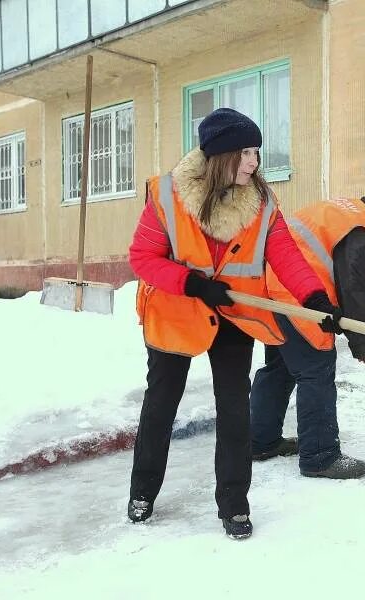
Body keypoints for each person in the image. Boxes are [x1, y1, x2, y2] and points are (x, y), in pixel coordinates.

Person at [127, 108, 339, 539]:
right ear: (221, 154)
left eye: (256, 152)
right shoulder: (168, 196)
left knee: (235, 411)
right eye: (246, 152)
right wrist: (190, 282)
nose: (254, 162)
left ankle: (234, 506)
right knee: (161, 407)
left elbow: (287, 256)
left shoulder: (261, 202)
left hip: (234, 317)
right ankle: (142, 491)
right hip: (176, 313)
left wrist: (315, 298)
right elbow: (141, 258)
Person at [248, 185, 365, 479]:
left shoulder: (343, 210)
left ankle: (261, 441)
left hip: (273, 288)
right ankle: (320, 456)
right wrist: (362, 342)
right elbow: (352, 286)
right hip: (301, 298)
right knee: (317, 370)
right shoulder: (362, 229)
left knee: (281, 368)